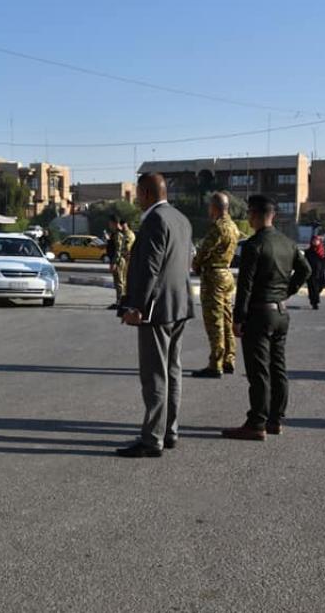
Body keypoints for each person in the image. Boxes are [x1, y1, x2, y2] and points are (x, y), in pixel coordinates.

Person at [116, 173, 195, 458]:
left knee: (154, 376)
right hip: (179, 305)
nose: (136, 199)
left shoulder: (154, 220)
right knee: (173, 371)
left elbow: (150, 267)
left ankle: (152, 439)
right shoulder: (181, 219)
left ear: (146, 193)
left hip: (156, 309)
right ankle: (169, 431)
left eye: (138, 194)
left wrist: (135, 307)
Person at [222, 196, 311, 440]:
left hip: (259, 314)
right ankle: (275, 420)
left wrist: (238, 318)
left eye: (249, 213)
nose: (248, 218)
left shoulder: (254, 244)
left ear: (256, 214)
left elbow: (245, 285)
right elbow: (306, 270)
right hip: (281, 312)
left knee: (259, 371)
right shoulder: (288, 243)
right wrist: (287, 292)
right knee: (278, 367)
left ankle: (256, 423)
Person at [190, 192, 241, 378]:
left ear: (214, 207)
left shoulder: (217, 227)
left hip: (213, 276)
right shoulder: (233, 226)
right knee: (227, 319)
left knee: (214, 321)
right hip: (227, 275)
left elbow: (204, 251)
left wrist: (196, 264)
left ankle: (215, 364)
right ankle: (229, 359)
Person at [304, 229, 325, 310]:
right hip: (311, 273)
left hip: (320, 272)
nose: (315, 242)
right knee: (312, 288)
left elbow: (324, 262)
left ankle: (314, 297)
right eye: (314, 241)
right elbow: (304, 262)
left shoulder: (322, 251)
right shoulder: (308, 252)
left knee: (320, 286)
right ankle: (315, 302)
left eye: (316, 240)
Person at [106, 215, 122, 310]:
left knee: (119, 282)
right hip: (115, 260)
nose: (109, 225)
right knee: (117, 282)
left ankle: (120, 302)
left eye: (110, 223)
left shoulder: (118, 234)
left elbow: (118, 250)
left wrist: (114, 263)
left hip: (118, 261)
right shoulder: (114, 234)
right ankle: (119, 300)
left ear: (114, 223)